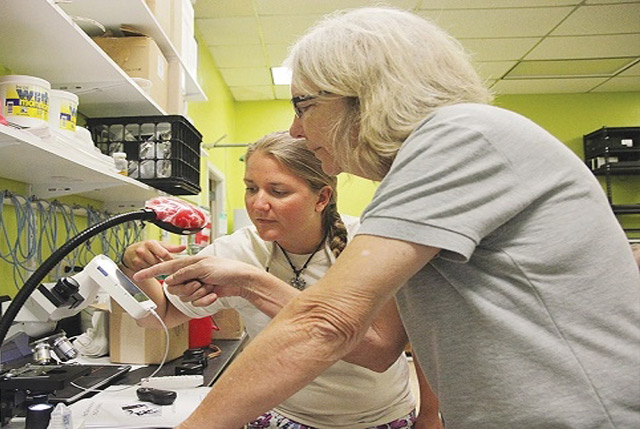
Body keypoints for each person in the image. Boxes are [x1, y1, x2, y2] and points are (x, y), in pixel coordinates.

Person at [135, 7, 640, 428]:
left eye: (304, 105)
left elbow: (327, 322)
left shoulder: (460, 138)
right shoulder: (439, 154)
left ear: (365, 95)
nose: (295, 126)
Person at [122, 131, 434, 428]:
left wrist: (431, 416)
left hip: (376, 418)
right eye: (250, 187)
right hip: (280, 416)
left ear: (322, 197)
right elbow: (159, 316)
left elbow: (387, 351)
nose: (258, 204)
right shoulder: (236, 250)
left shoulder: (368, 245)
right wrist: (133, 263)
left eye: (278, 191)